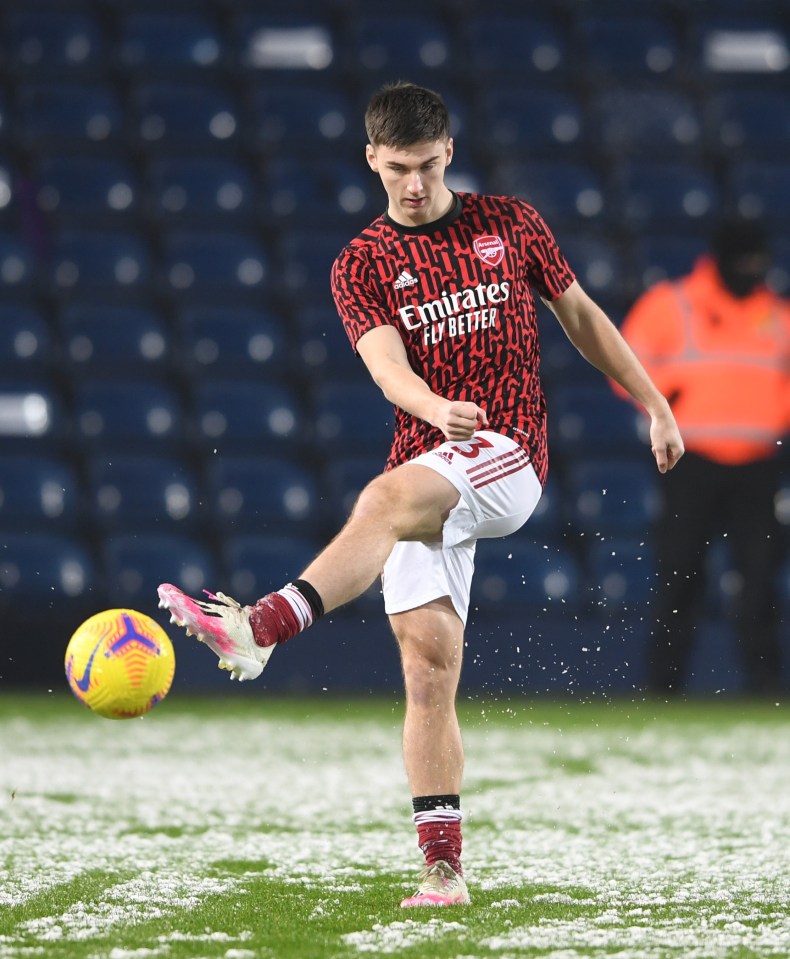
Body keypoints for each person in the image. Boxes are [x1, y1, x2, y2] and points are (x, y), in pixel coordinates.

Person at [157, 82, 684, 907]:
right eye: (398, 168)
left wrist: (654, 402)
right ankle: (443, 871)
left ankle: (259, 627)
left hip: (507, 451)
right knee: (428, 670)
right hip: (430, 451)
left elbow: (580, 315)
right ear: (372, 157)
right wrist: (435, 408)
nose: (414, 183)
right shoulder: (361, 263)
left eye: (429, 165)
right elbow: (382, 363)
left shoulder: (510, 223)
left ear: (449, 151)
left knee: (383, 498)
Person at [615, 217, 790, 695]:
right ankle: (664, 688)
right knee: (679, 579)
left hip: (759, 467)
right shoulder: (672, 305)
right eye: (746, 261)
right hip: (687, 464)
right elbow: (620, 364)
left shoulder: (777, 315)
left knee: (759, 583)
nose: (753, 270)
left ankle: (766, 688)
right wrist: (667, 400)